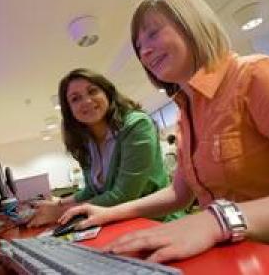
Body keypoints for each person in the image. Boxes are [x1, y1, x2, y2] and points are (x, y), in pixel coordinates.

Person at [60, 0, 269, 263]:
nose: (145, 51)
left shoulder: (256, 75)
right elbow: (179, 193)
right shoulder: (185, 112)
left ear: (191, 24)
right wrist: (108, 212)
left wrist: (216, 220)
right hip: (236, 258)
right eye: (139, 46)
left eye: (153, 33)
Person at [28, 68, 181, 227]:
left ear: (107, 93)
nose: (86, 101)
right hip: (118, 223)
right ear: (70, 111)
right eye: (75, 99)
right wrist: (58, 204)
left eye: (92, 91)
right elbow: (91, 190)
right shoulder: (86, 143)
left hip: (157, 222)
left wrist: (59, 212)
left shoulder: (136, 125)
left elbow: (124, 195)